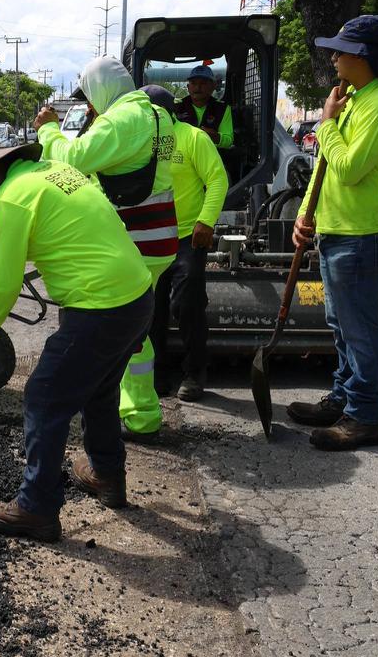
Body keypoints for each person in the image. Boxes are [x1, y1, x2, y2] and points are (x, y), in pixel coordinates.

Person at [0, 138, 154, 542]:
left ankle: (36, 508)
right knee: (100, 390)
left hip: (100, 306)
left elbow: (3, 285)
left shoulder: (12, 198)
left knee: (43, 397)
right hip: (136, 297)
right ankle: (107, 475)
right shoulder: (57, 172)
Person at [33, 56, 178, 441]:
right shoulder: (157, 115)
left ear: (102, 88)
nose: (91, 105)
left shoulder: (125, 118)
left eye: (91, 96)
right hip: (159, 234)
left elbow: (73, 160)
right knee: (135, 330)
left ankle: (138, 415)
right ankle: (136, 410)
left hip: (136, 239)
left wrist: (48, 129)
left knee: (123, 334)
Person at [288, 15, 378, 451]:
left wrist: (325, 123)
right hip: (337, 230)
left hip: (364, 234)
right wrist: (305, 214)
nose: (334, 58)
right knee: (340, 325)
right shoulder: (352, 99)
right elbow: (323, 168)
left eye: (340, 51)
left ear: (363, 56)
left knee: (359, 329)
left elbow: (350, 169)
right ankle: (343, 399)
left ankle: (363, 416)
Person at [140, 85, 229, 404]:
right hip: (151, 237)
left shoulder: (193, 138)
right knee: (151, 308)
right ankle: (157, 373)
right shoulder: (139, 140)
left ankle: (194, 372)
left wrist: (206, 220)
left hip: (188, 237)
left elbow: (217, 179)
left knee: (187, 304)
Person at [174, 65, 233, 149]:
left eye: (203, 83)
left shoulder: (223, 108)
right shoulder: (176, 107)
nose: (197, 87)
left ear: (213, 86)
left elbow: (229, 141)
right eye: (193, 83)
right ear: (188, 87)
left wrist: (215, 137)